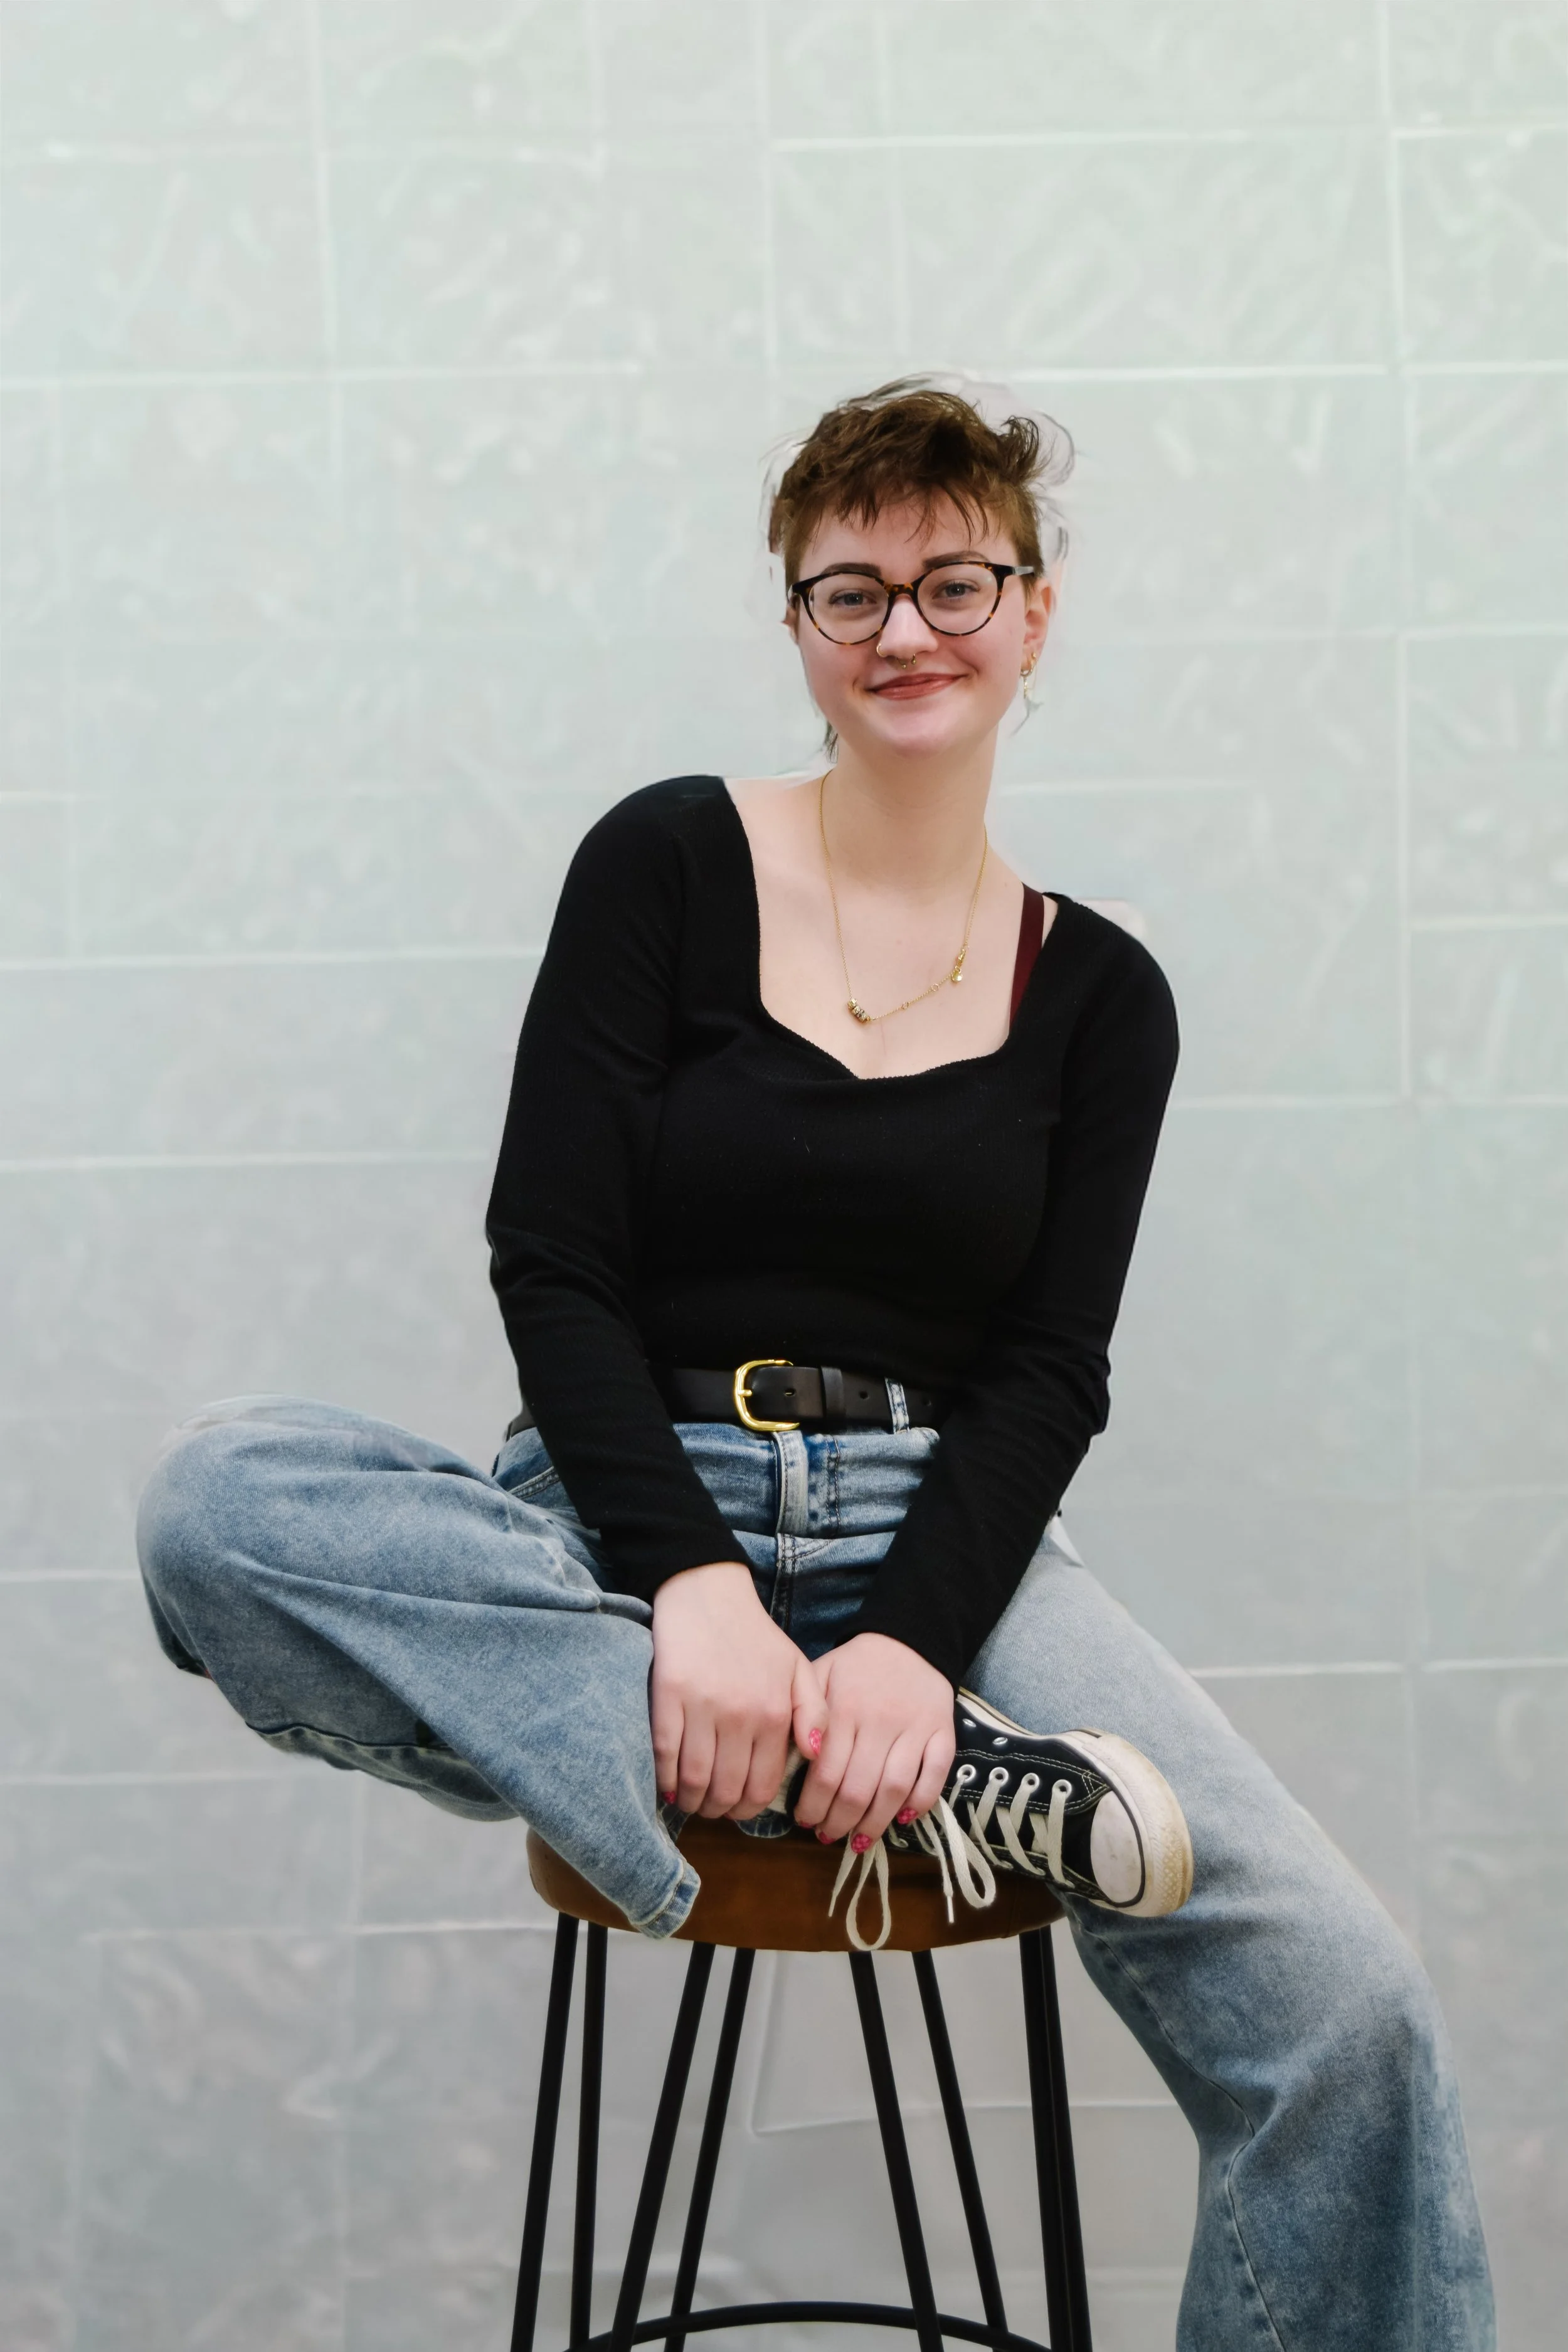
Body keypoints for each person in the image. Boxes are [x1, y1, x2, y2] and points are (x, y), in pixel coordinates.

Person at [137, 379, 1493, 2349]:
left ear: (1033, 612)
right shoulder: (666, 861)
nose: (903, 630)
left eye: (954, 581)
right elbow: (555, 1262)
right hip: (618, 1525)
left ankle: (913, 1759)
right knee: (217, 1504)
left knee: (1349, 2013)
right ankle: (905, 1789)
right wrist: (689, 1582)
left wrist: (907, 1646)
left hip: (940, 1542)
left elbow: (1049, 1368)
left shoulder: (1099, 992)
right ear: (794, 624)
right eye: (849, 590)